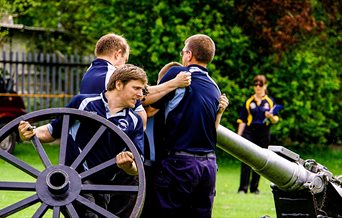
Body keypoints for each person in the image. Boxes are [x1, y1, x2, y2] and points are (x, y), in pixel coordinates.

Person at [19, 64, 148, 217]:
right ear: (119, 84)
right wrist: (30, 133)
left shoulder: (134, 121)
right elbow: (52, 131)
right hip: (72, 180)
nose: (141, 94)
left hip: (104, 186)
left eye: (142, 89)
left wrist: (128, 164)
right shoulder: (83, 103)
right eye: (136, 88)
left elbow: (137, 166)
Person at [149, 34, 228, 217]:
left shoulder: (178, 74)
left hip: (180, 164)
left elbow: (148, 106)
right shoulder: (214, 87)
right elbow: (212, 130)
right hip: (208, 166)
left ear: (189, 54)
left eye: (183, 51)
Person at [80, 33, 191, 129]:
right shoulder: (112, 75)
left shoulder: (88, 74)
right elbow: (143, 97)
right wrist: (175, 83)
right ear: (118, 54)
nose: (124, 66)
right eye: (125, 60)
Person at [237, 74, 280, 194]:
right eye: (255, 84)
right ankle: (242, 188)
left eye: (260, 84)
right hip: (250, 132)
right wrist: (238, 137)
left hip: (264, 133)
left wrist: (271, 117)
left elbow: (275, 120)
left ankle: (254, 188)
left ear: (265, 85)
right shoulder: (249, 101)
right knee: (246, 159)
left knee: (260, 161)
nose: (257, 87)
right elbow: (242, 120)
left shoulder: (270, 101)